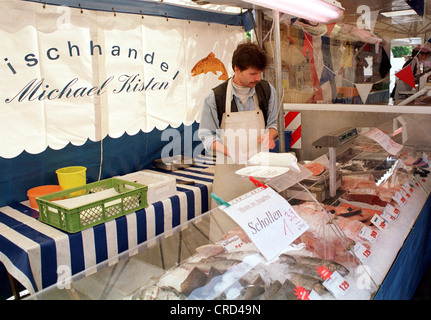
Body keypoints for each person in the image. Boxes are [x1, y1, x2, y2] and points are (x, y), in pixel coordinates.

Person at [198, 42, 279, 208]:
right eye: (253, 74)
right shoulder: (215, 97)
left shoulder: (267, 90)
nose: (257, 78)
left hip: (259, 174)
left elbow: (273, 124)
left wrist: (270, 136)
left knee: (260, 221)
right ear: (237, 69)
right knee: (228, 227)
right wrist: (230, 151)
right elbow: (207, 137)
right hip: (229, 177)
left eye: (260, 73)